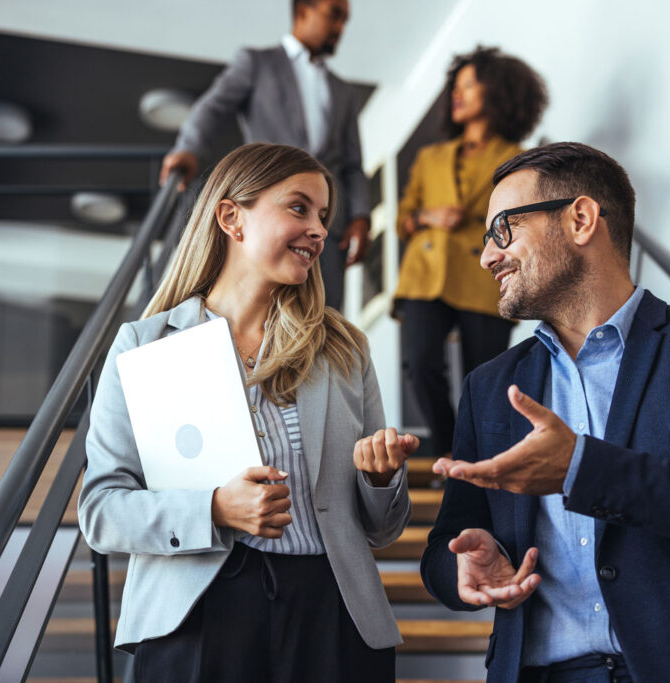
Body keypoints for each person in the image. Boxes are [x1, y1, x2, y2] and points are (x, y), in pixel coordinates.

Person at [421, 142, 670, 682]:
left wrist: (582, 469)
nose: (487, 257)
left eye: (504, 229)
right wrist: (462, 568)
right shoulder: (488, 386)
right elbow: (448, 542)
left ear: (582, 219)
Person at [80, 143, 418, 683]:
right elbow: (101, 510)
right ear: (231, 217)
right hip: (199, 612)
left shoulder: (344, 348)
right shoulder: (143, 346)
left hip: (333, 611)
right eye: (299, 207)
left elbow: (383, 530)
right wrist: (214, 508)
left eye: (324, 216)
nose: (319, 230)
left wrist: (381, 478)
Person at [158, 0, 370, 311]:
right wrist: (187, 148)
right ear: (303, 10)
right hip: (270, 213)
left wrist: (361, 216)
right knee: (263, 308)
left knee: (323, 318)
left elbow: (353, 163)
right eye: (334, 15)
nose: (340, 28)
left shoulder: (343, 91)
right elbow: (213, 107)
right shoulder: (258, 63)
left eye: (344, 20)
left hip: (328, 228)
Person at [393, 46, 547, 459]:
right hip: (425, 274)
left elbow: (524, 216)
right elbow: (402, 219)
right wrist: (429, 215)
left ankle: (485, 455)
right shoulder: (430, 157)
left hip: (484, 274)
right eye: (454, 87)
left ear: (496, 91)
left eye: (469, 85)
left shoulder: (518, 158)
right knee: (420, 364)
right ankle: (451, 450)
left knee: (486, 374)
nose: (456, 95)